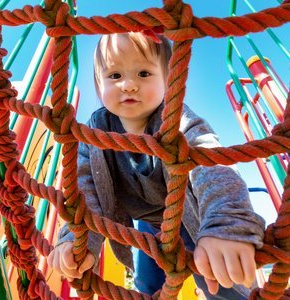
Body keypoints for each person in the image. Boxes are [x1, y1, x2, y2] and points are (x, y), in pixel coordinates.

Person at [47, 31, 265, 299]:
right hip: (148, 225)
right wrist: (75, 240)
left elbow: (212, 163)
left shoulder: (176, 122)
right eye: (114, 75)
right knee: (147, 285)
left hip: (190, 216)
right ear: (98, 83)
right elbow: (84, 194)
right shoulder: (93, 135)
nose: (128, 85)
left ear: (169, 81)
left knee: (218, 278)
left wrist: (225, 223)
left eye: (143, 74)